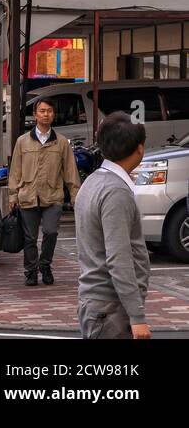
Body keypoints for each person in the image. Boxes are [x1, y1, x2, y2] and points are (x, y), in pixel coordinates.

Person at [75, 112, 151, 339]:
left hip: (98, 304)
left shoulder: (93, 181)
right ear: (139, 148)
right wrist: (137, 317)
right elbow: (119, 258)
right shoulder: (116, 191)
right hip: (110, 308)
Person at [7, 98, 81, 286]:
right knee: (30, 238)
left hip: (53, 195)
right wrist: (13, 195)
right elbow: (15, 170)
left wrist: (75, 195)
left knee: (51, 232)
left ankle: (45, 265)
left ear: (53, 114)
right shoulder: (22, 141)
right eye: (42, 111)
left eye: (49, 111)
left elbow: (70, 171)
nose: (45, 114)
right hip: (27, 195)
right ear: (35, 114)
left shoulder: (62, 142)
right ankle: (30, 271)